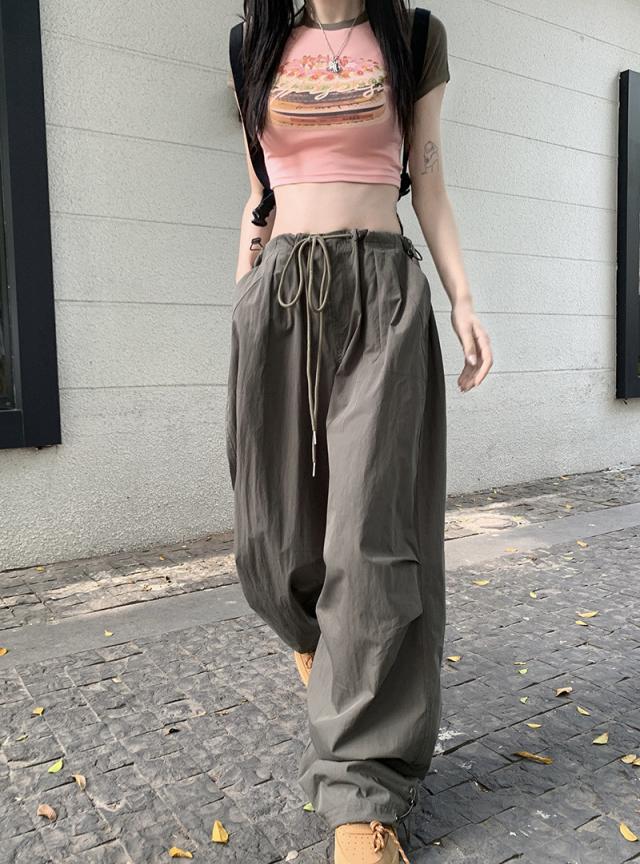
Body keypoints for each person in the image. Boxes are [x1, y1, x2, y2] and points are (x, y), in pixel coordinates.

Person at [226, 2, 493, 862]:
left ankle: (363, 796)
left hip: (380, 293)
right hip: (278, 296)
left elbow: (432, 183)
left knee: (372, 538)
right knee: (271, 541)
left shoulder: (413, 38)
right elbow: (259, 194)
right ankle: (327, 645)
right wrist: (242, 299)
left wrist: (463, 300)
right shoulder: (252, 44)